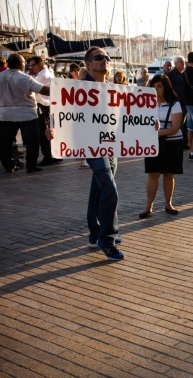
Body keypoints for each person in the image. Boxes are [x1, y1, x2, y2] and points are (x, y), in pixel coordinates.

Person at [46, 47, 124, 259]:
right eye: (99, 58)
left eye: (106, 57)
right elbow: (60, 112)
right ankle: (106, 240)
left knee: (99, 189)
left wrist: (146, 125)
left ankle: (94, 234)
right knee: (110, 189)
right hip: (90, 145)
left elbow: (128, 114)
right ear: (88, 64)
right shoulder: (77, 88)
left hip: (111, 144)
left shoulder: (113, 88)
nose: (105, 60)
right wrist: (52, 128)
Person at [139, 74, 183, 219]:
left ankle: (168, 203)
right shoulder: (145, 103)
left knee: (168, 174)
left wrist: (157, 133)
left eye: (159, 86)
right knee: (152, 174)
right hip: (152, 144)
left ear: (166, 88)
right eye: (154, 86)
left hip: (172, 143)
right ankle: (148, 206)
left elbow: (175, 127)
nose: (156, 89)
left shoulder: (174, 103)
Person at [0, 54, 50, 173]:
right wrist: (60, 89)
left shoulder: (1, 76)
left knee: (4, 142)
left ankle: (8, 165)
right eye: (24, 63)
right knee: (32, 141)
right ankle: (31, 166)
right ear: (18, 64)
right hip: (26, 113)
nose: (26, 65)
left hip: (5, 114)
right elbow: (42, 90)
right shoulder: (25, 78)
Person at [27, 56, 58, 167]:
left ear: (40, 63)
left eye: (33, 65)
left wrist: (29, 74)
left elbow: (30, 84)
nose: (31, 67)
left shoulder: (43, 75)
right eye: (30, 65)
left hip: (44, 105)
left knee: (44, 132)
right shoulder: (43, 73)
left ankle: (48, 156)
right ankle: (54, 155)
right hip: (47, 105)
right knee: (49, 130)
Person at [167, 56, 188, 149]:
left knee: (185, 125)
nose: (183, 63)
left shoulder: (185, 73)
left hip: (185, 102)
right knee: (178, 124)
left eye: (183, 62)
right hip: (176, 103)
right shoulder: (171, 74)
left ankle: (183, 142)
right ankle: (177, 143)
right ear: (175, 64)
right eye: (181, 62)